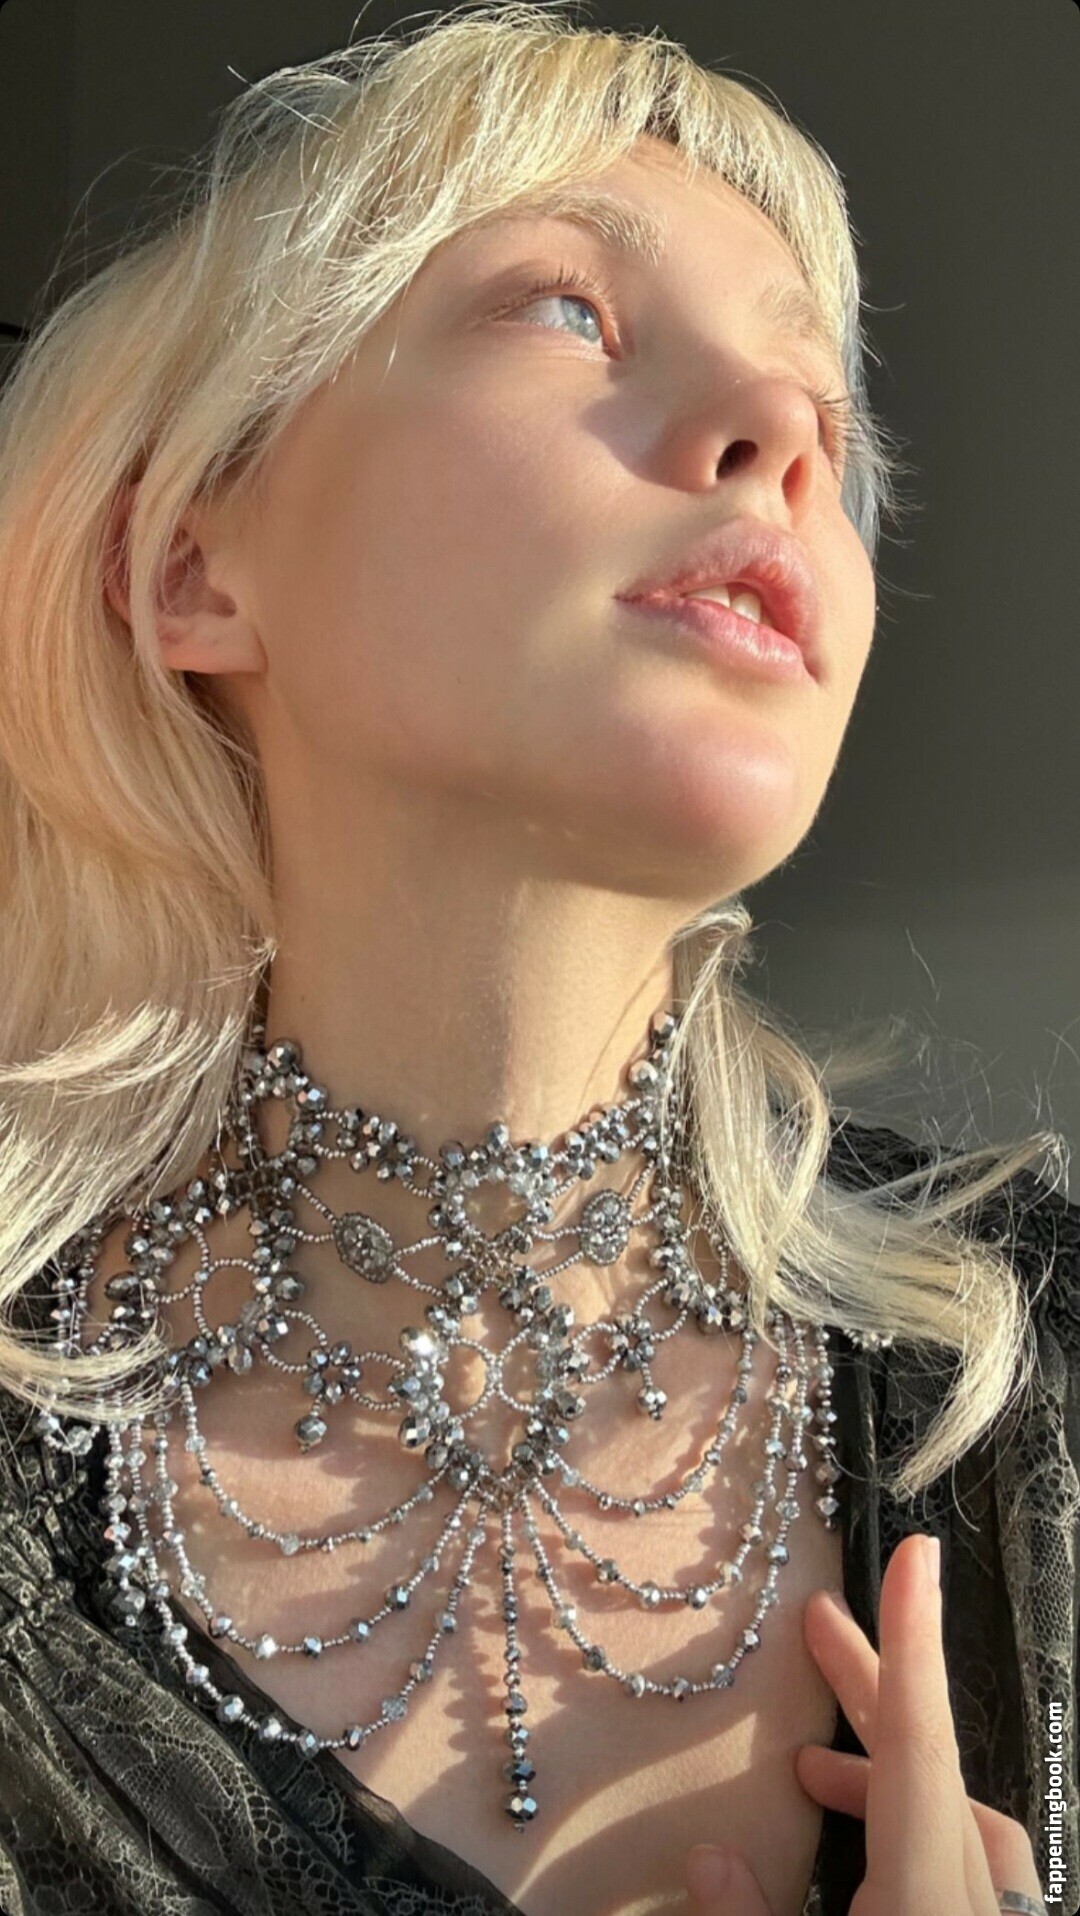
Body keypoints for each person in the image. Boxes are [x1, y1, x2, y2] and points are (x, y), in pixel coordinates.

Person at [0, 7, 1074, 1914]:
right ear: (190, 565)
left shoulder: (1040, 1373)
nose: (780, 447)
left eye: (825, 409)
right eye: (570, 308)